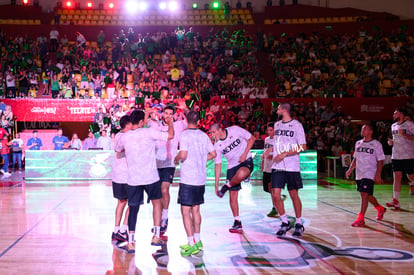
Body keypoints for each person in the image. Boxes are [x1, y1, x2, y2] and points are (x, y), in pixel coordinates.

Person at [115, 110, 174, 254]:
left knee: (133, 209)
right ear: (141, 122)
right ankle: (156, 235)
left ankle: (131, 242)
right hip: (150, 177)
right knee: (156, 203)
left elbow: (118, 149)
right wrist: (170, 123)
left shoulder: (125, 136)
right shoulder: (149, 132)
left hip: (133, 179)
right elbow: (170, 135)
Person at [174, 111, 216, 256]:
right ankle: (198, 240)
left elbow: (183, 154)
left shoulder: (184, 135)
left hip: (188, 179)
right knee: (196, 210)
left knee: (185, 211)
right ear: (199, 121)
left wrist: (176, 158)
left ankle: (191, 243)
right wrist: (201, 160)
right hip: (200, 179)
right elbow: (213, 154)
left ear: (186, 121)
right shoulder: (204, 136)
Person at [266, 103, 307, 237]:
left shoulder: (297, 125)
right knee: (275, 195)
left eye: (278, 108)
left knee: (294, 195)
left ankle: (299, 223)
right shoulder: (277, 125)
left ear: (284, 110)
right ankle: (284, 222)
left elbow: (303, 147)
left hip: (292, 166)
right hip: (277, 166)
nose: (276, 110)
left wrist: (285, 154)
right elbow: (278, 143)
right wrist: (271, 150)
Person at [149, 103, 188, 234]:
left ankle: (165, 217)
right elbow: (142, 122)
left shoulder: (177, 125)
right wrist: (148, 110)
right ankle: (158, 220)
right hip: (155, 163)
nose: (168, 116)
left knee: (164, 190)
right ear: (162, 114)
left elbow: (192, 121)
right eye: (166, 113)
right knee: (157, 194)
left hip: (169, 164)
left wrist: (184, 108)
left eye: (171, 114)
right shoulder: (155, 125)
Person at [210, 123, 255, 233]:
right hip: (232, 166)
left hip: (245, 160)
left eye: (213, 132)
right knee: (232, 197)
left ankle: (229, 185)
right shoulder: (217, 145)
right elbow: (218, 164)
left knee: (241, 173)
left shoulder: (234, 130)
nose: (212, 135)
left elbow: (252, 138)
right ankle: (237, 221)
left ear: (220, 129)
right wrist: (216, 184)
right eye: (211, 133)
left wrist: (244, 154)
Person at [346, 124, 386, 227]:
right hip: (359, 173)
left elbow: (381, 160)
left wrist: (378, 174)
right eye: (362, 128)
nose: (362, 130)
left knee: (364, 194)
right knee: (366, 195)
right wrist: (350, 169)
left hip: (370, 173)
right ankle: (380, 208)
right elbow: (355, 158)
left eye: (365, 129)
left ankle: (361, 218)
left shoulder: (376, 144)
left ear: (371, 131)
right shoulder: (358, 143)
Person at [386, 108, 414, 208]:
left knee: (410, 176)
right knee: (396, 177)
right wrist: (391, 143)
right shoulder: (393, 126)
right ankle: (396, 200)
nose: (394, 115)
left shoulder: (410, 124)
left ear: (401, 114)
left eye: (395, 113)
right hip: (396, 155)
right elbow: (396, 139)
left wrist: (405, 135)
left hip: (408, 155)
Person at [111, 115, 132, 244]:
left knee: (123, 202)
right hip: (125, 175)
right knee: (130, 202)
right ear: (128, 125)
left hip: (121, 175)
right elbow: (120, 149)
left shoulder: (120, 135)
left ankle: (118, 230)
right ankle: (122, 230)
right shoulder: (124, 137)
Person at [262, 123, 287, 218]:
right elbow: (265, 151)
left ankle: (275, 207)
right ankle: (278, 199)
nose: (269, 132)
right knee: (268, 188)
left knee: (272, 187)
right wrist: (263, 159)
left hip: (275, 166)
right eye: (268, 130)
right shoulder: (266, 139)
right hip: (267, 166)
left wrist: (273, 155)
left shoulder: (279, 140)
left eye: (271, 130)